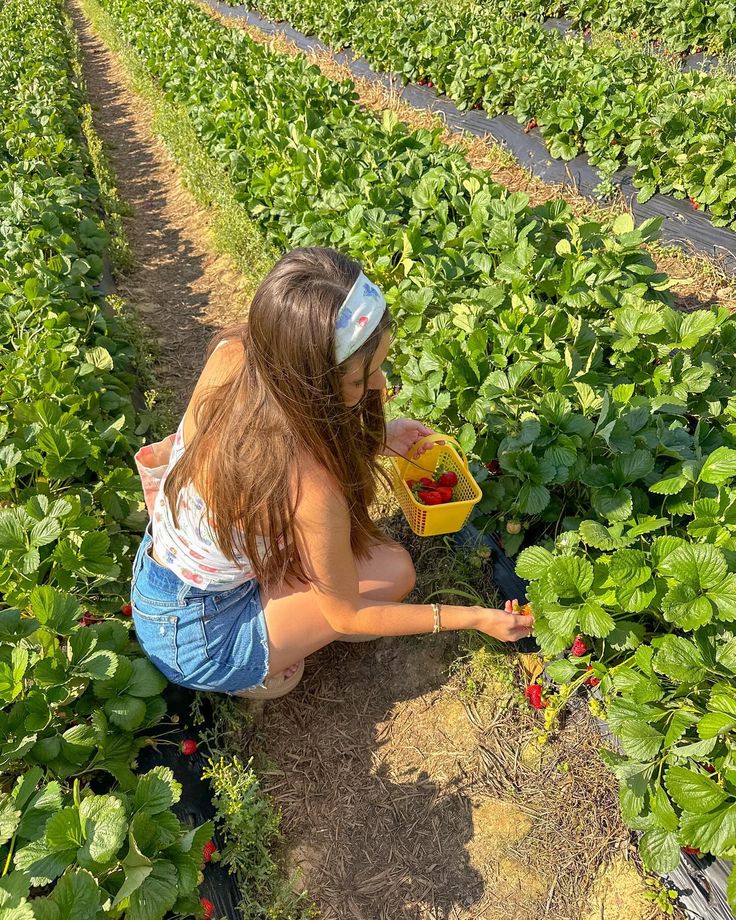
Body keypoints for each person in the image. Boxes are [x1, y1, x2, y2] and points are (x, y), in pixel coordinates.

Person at [130, 247, 534, 699]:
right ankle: (252, 671)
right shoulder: (311, 486)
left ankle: (281, 628)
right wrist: (477, 618)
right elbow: (349, 615)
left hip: (161, 578)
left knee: (371, 563)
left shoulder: (238, 353)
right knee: (395, 573)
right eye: (366, 376)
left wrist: (380, 437)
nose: (381, 385)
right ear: (314, 381)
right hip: (198, 640)